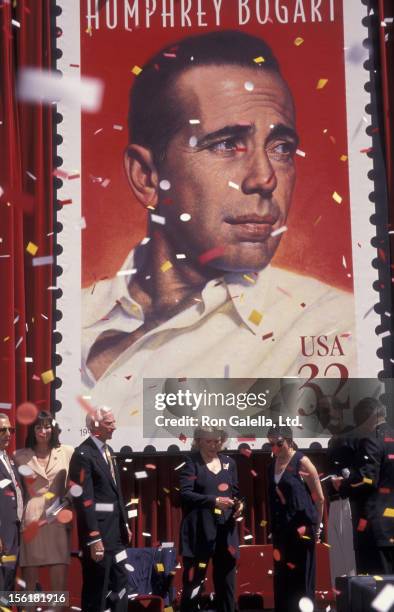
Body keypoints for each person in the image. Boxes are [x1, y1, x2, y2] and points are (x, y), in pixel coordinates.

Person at [81, 30, 355, 434]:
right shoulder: (71, 318)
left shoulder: (335, 328)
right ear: (147, 177)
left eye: (280, 148)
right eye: (227, 144)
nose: (265, 178)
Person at [69, 408, 131, 612]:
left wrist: (125, 523)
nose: (114, 427)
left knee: (120, 583)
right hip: (99, 537)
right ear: (95, 426)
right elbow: (83, 500)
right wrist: (94, 538)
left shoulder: (109, 451)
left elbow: (116, 493)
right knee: (98, 588)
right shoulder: (82, 455)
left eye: (113, 422)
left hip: (117, 533)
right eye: (109, 423)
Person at [179, 426, 243, 612]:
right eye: (209, 441)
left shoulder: (229, 463)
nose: (214, 445)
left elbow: (236, 493)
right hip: (200, 532)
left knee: (226, 585)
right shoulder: (190, 462)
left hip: (225, 533)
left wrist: (240, 505)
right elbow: (185, 494)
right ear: (198, 441)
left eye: (217, 441)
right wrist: (214, 500)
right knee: (194, 584)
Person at [332, 397, 394, 575]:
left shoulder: (372, 440)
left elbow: (367, 480)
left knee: (376, 584)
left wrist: (342, 485)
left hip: (376, 526)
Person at [14, 411, 74, 595]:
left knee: (59, 586)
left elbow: (76, 484)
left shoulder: (68, 451)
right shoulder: (18, 456)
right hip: (32, 521)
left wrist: (68, 500)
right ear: (32, 430)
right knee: (29, 586)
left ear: (53, 428)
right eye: (39, 427)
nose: (43, 431)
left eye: (47, 426)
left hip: (58, 521)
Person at [267, 425, 324, 612]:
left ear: (289, 441)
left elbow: (319, 498)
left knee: (301, 580)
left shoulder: (302, 462)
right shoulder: (271, 466)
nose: (275, 448)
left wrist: (317, 527)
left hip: (302, 529)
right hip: (281, 531)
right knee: (282, 579)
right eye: (271, 445)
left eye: (279, 444)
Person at [316, 395, 357, 586]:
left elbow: (366, 470)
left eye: (326, 410)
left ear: (340, 411)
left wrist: (347, 479)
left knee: (349, 560)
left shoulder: (353, 436)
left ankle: (354, 601)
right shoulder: (333, 441)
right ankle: (340, 601)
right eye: (320, 413)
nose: (323, 416)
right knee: (337, 562)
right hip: (334, 503)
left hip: (349, 504)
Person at [0, 413, 24, 591]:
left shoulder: (8, 458)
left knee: (8, 579)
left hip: (14, 530)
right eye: (3, 430)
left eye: (11, 429)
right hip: (2, 533)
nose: (8, 433)